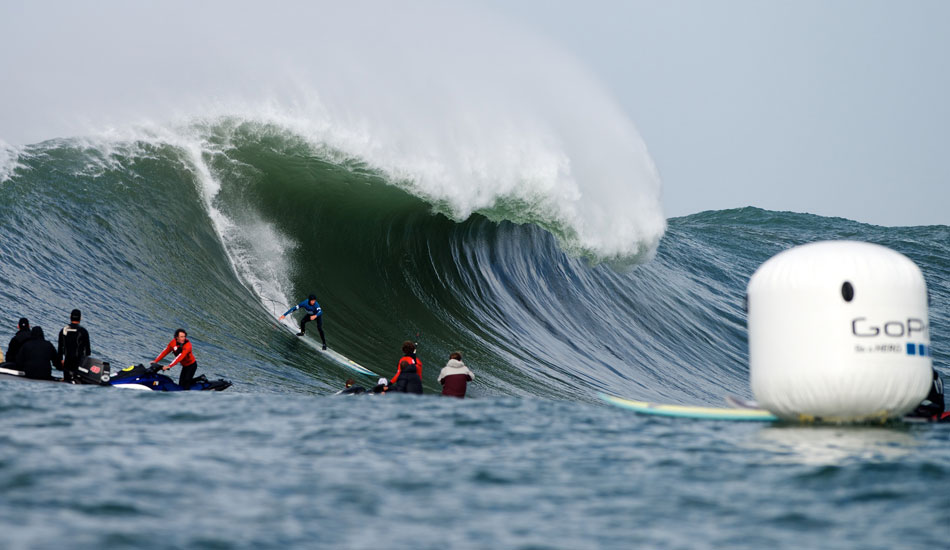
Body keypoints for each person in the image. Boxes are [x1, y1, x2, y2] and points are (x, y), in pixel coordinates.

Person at [58, 309, 91, 383]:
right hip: (79, 364)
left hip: (67, 364)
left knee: (67, 381)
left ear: (70, 317)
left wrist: (61, 360)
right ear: (80, 318)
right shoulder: (83, 331)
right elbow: (88, 351)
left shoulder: (63, 330)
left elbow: (60, 349)